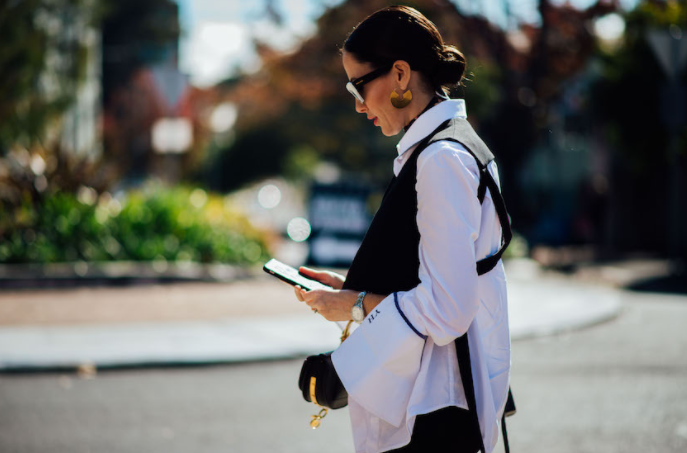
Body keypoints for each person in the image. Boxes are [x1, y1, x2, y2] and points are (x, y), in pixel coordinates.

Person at [293, 6, 511, 453]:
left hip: (436, 404)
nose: (356, 103)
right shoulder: (448, 144)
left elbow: (448, 310)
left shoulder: (440, 158)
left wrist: (354, 305)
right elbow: (435, 275)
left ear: (398, 75)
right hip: (441, 394)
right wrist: (350, 289)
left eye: (359, 85)